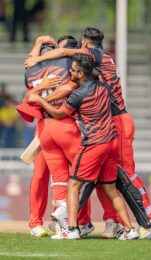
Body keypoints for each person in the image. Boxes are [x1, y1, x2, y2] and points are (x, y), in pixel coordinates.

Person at [25, 27, 151, 239]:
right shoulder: (100, 61)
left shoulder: (89, 58)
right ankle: (99, 223)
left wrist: (37, 69)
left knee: (121, 174)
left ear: (84, 45)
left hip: (114, 120)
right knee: (105, 177)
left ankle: (149, 217)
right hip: (114, 120)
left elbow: (62, 59)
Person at [28, 53, 139, 240]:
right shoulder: (103, 87)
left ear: (80, 73)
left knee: (73, 186)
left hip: (94, 144)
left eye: (72, 70)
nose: (69, 72)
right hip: (111, 142)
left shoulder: (78, 95)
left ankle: (72, 230)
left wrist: (40, 100)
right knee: (110, 189)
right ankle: (130, 230)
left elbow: (58, 113)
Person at [20, 36, 92, 238]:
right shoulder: (60, 66)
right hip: (56, 125)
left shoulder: (39, 69)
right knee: (47, 176)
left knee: (67, 177)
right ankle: (40, 222)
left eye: (56, 49)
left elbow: (28, 96)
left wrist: (37, 44)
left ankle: (76, 222)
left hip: (54, 126)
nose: (52, 53)